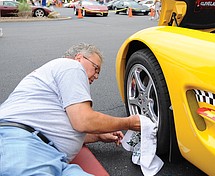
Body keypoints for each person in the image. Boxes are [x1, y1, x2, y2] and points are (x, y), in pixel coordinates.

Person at [0, 43, 141, 175]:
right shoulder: (71, 66)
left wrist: (97, 135)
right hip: (24, 147)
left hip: (48, 155)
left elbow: (58, 127)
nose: (97, 76)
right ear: (79, 58)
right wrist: (129, 123)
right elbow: (83, 121)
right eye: (96, 68)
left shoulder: (54, 79)